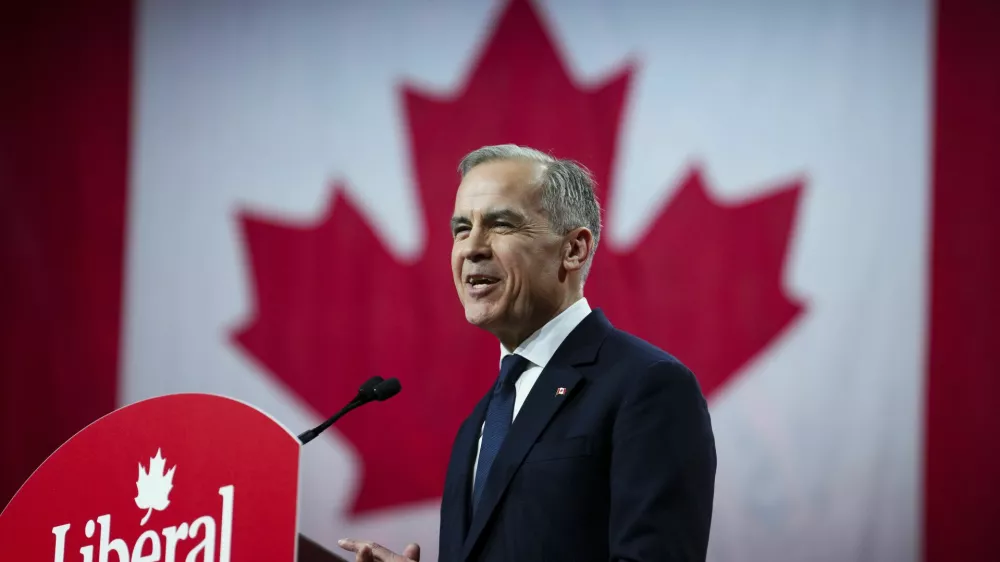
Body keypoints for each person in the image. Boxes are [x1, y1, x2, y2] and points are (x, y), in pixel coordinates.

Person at [339, 145, 716, 562]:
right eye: (461, 229)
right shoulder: (476, 426)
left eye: (501, 225)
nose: (471, 248)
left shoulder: (648, 386)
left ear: (573, 250)